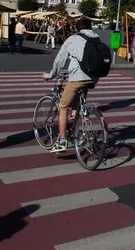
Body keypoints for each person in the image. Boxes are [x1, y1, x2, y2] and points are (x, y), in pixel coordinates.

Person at [42, 17, 101, 153]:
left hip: (77, 77)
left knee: (63, 107)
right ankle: (77, 131)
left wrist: (51, 75)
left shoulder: (73, 39)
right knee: (77, 105)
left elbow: (60, 60)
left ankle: (62, 141)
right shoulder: (96, 38)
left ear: (77, 28)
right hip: (93, 77)